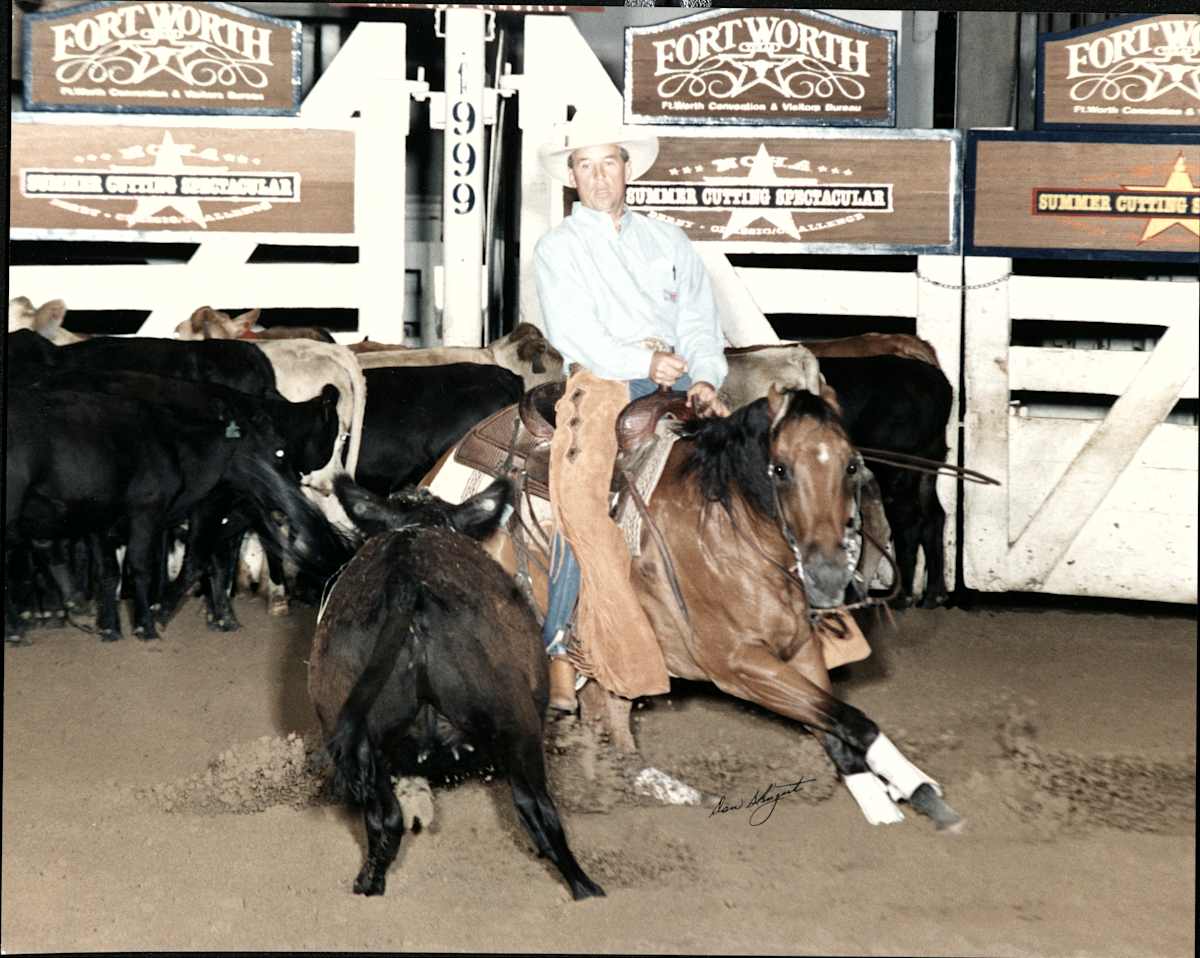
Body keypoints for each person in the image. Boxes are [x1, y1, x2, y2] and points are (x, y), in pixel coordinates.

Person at [534, 118, 730, 711]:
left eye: (608, 164)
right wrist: (643, 359)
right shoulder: (559, 248)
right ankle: (562, 648)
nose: (598, 177)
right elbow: (574, 332)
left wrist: (704, 376)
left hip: (678, 380)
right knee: (581, 497)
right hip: (602, 382)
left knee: (759, 465)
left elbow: (699, 318)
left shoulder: (668, 241)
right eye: (585, 166)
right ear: (571, 177)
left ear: (627, 169)